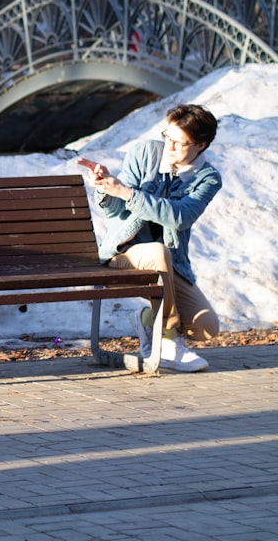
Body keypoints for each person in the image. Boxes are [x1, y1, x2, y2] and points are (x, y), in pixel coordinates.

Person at [80, 103, 221, 372]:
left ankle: (147, 320)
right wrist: (106, 187)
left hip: (171, 262)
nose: (170, 146)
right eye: (167, 136)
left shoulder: (207, 178)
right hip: (124, 254)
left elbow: (180, 217)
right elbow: (115, 210)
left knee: (206, 327)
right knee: (157, 252)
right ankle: (168, 339)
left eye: (180, 143)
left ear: (200, 146)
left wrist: (129, 194)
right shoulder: (145, 152)